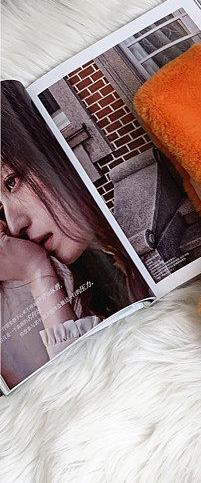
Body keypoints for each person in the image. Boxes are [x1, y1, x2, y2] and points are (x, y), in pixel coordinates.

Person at [0, 81, 149, 366]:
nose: (15, 225)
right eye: (0, 208)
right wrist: (37, 274)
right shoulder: (99, 281)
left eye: (11, 181)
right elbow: (82, 384)